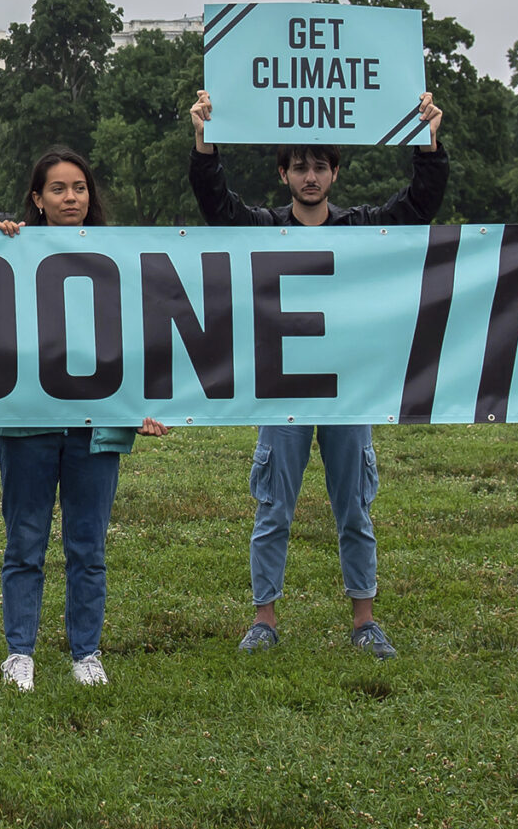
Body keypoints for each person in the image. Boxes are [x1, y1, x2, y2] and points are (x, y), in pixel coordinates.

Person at [188, 86, 446, 659]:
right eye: (300, 166)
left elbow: (418, 206)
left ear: (334, 174)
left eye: (320, 167)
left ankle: (364, 620)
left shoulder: (362, 227)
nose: (310, 176)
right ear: (283, 173)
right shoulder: (262, 227)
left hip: (347, 391)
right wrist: (205, 146)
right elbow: (218, 209)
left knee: (354, 506)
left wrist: (429, 143)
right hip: (282, 389)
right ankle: (264, 619)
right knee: (273, 507)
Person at [0, 148, 168, 690]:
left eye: (80, 188)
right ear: (36, 199)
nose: (71, 198)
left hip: (98, 423)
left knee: (87, 548)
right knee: (25, 543)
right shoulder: (11, 250)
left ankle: (86, 652)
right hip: (28, 421)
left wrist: (149, 403)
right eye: (59, 189)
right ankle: (20, 652)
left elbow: (142, 334)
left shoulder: (120, 257)